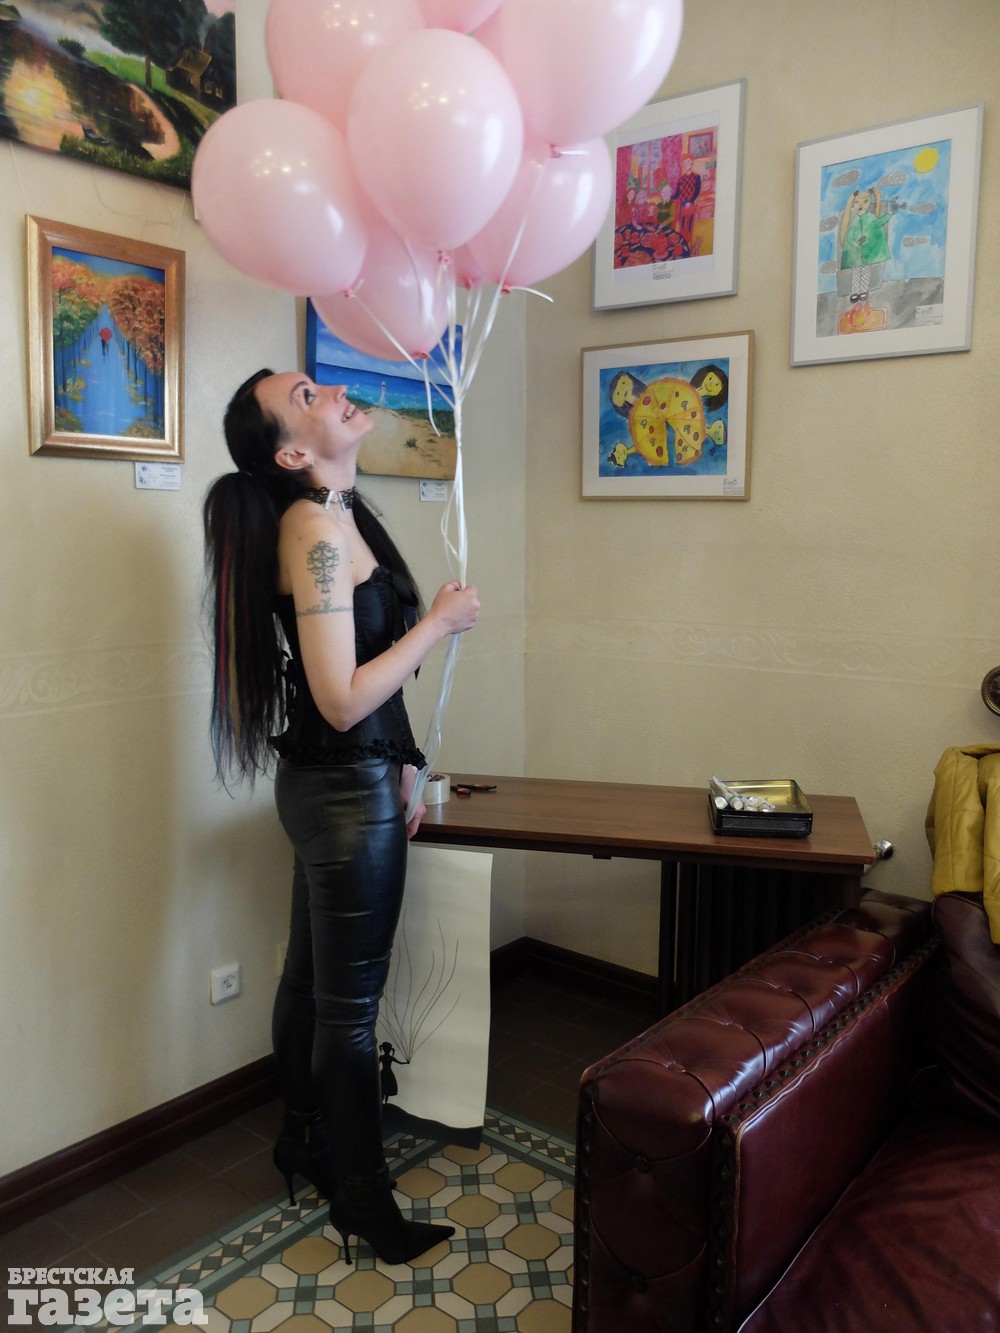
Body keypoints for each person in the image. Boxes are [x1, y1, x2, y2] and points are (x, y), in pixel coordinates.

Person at [202, 369, 480, 1265]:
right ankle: (364, 1200)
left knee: (310, 985)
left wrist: (406, 759)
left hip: (341, 784)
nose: (331, 392)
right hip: (341, 794)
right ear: (292, 452)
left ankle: (306, 1141)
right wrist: (440, 623)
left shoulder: (336, 515)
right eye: (306, 395)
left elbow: (364, 686)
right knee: (348, 1012)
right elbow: (340, 697)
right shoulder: (315, 529)